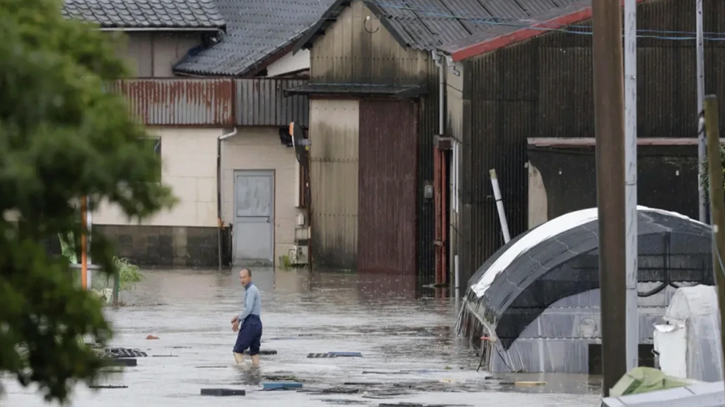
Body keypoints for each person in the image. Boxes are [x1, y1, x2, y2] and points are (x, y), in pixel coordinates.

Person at [230, 268, 263, 367]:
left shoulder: (251, 290)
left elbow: (248, 308)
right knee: (254, 353)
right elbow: (251, 309)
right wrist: (238, 316)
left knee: (237, 352)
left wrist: (239, 320)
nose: (242, 280)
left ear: (250, 277)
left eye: (244, 277)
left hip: (251, 323)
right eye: (240, 278)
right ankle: (256, 374)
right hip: (257, 325)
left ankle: (244, 374)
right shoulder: (252, 290)